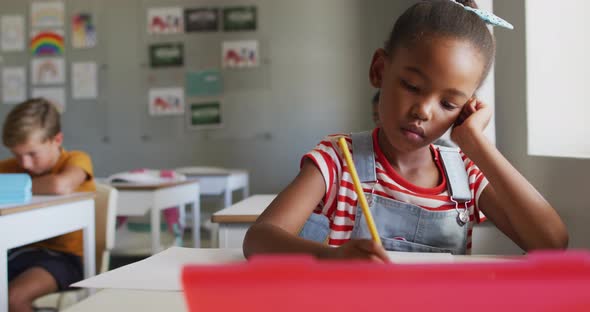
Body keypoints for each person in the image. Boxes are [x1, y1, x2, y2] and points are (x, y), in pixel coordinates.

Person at [243, 0, 567, 262]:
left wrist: (477, 144)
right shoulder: (337, 160)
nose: (423, 111)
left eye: (449, 104)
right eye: (412, 85)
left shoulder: (465, 174)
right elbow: (259, 240)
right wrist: (332, 257)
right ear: (379, 70)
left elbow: (552, 244)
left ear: (467, 109)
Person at [0, 98, 95, 312]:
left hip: (67, 258)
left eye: (32, 154)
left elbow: (60, 185)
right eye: (17, 155)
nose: (24, 164)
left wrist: (15, 185)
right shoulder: (12, 167)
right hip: (19, 252)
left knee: (14, 298)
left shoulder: (76, 160)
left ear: (57, 139)